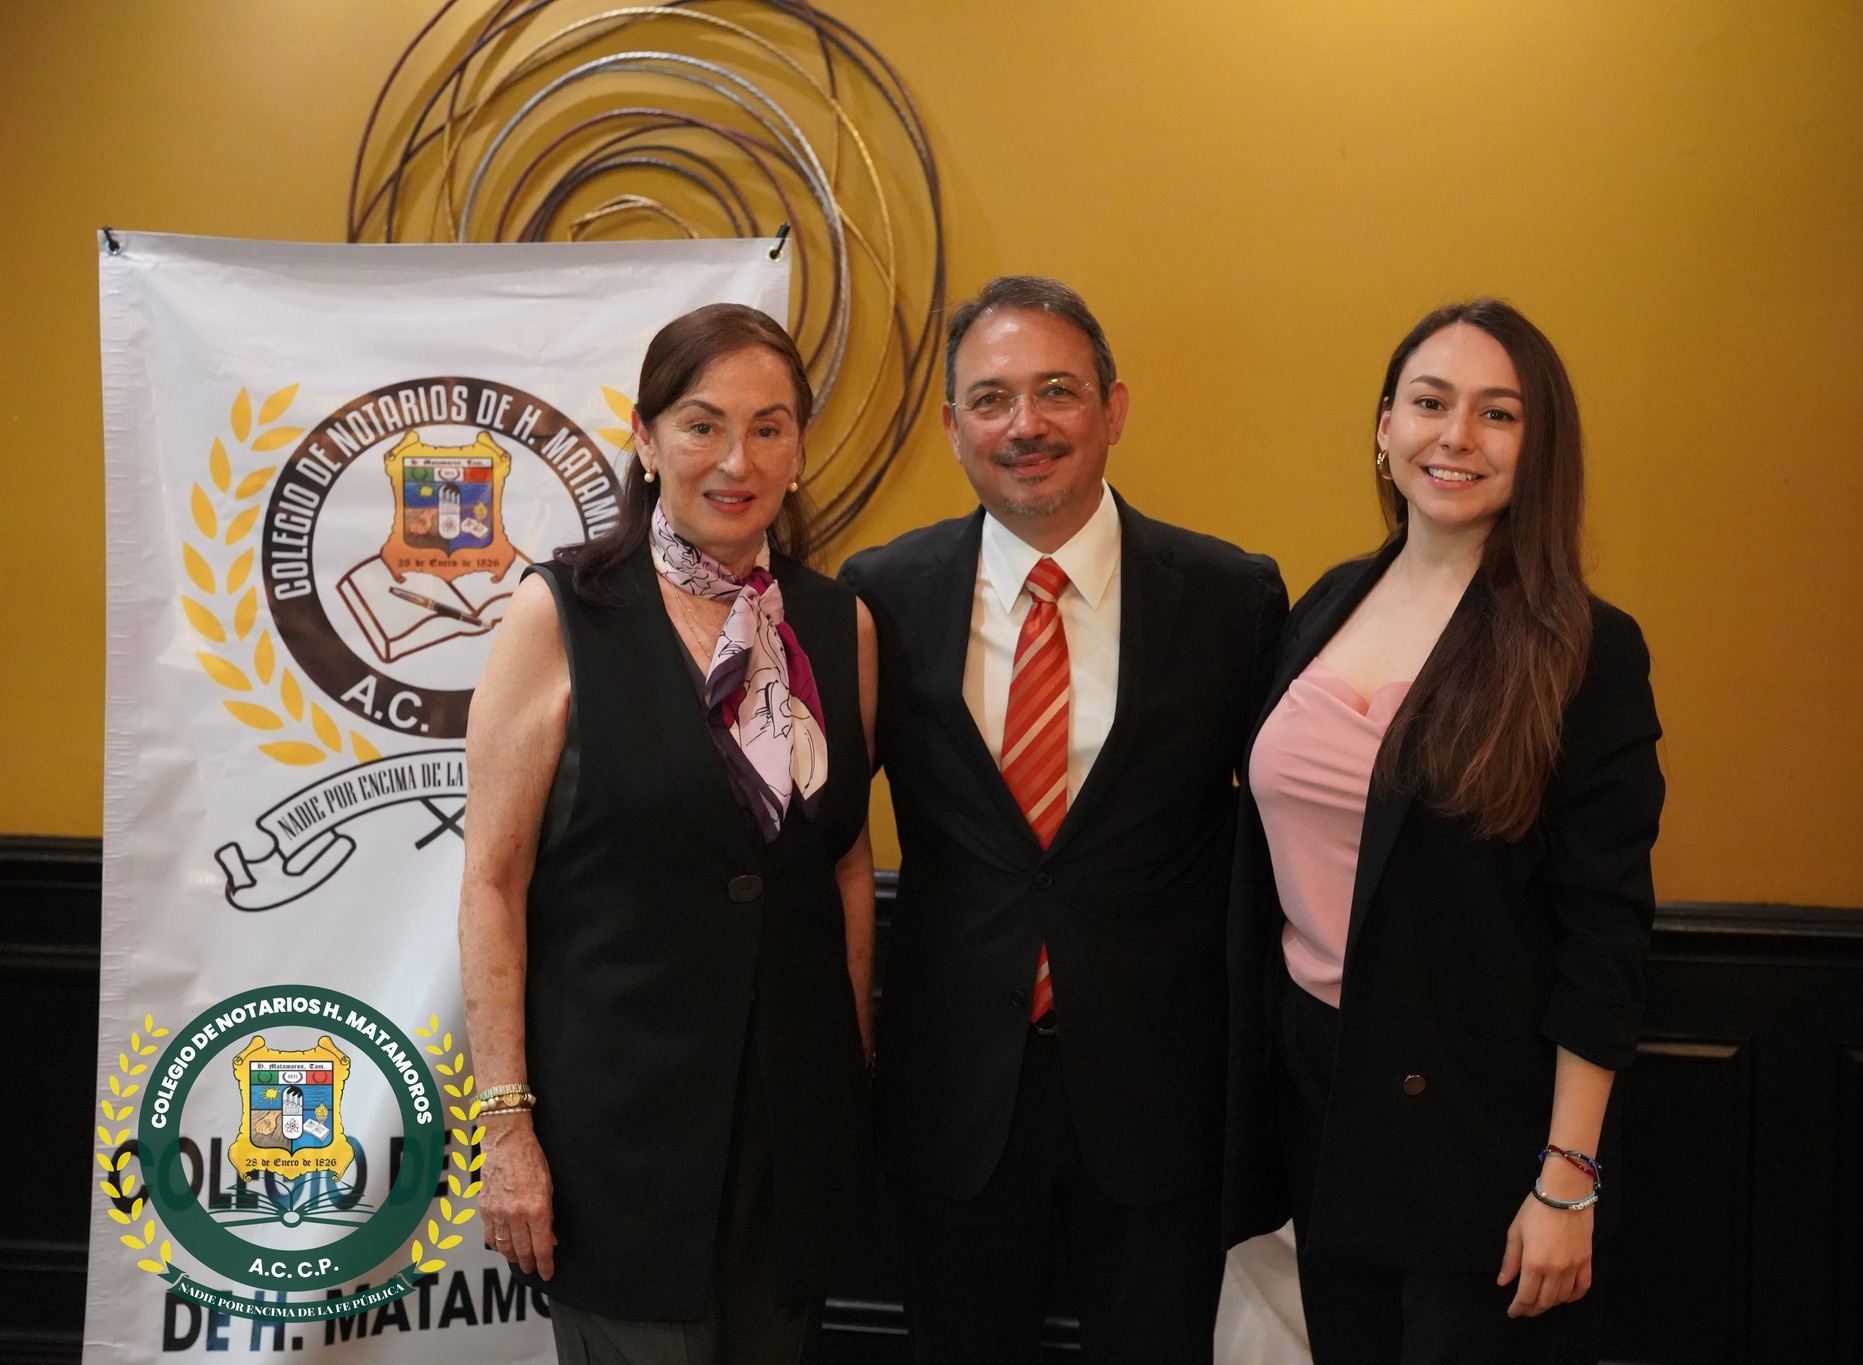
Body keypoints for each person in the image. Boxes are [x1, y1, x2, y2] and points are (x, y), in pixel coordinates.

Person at [840, 275, 1289, 1364]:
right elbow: (829, 832)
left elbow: (1282, 843)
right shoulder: (879, 595)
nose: (1024, 425)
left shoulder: (1230, 597)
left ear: (1112, 409)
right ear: (952, 427)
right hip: (954, 1102)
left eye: (1056, 391)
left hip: (1161, 1103)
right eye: (991, 399)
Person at [1222, 299, 1664, 1362]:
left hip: (1483, 1129)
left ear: (1538, 446)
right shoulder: (1327, 601)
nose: (1455, 435)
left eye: (1496, 413)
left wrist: (1567, 1178)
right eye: (1429, 402)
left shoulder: (1584, 648)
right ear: (1385, 426)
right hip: (1322, 1096)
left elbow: (1604, 932)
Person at [457, 303, 877, 1364]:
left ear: (797, 448)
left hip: (792, 1141)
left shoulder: (841, 625)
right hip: (618, 1144)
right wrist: (506, 1128)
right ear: (645, 439)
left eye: (769, 427)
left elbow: (842, 859)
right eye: (702, 424)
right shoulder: (559, 615)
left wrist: (852, 1073)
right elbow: (493, 884)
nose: (738, 460)